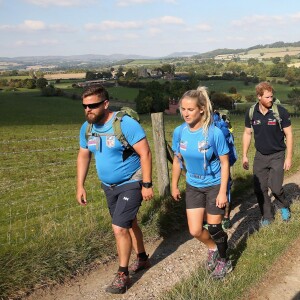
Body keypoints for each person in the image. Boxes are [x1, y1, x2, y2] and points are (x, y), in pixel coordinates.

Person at [76, 85, 153, 294]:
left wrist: (146, 184)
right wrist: (80, 185)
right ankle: (143, 258)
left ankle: (122, 274)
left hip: (131, 181)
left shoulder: (125, 124)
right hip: (109, 186)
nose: (88, 110)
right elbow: (84, 155)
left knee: (119, 227)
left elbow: (145, 153)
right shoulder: (87, 128)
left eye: (93, 105)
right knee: (129, 223)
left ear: (105, 104)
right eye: (85, 106)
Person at [171, 86, 233, 279]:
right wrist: (174, 185)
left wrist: (223, 191)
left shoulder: (214, 133)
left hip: (215, 184)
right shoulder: (179, 132)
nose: (186, 113)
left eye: (190, 109)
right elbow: (177, 159)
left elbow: (225, 163)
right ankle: (213, 248)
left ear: (202, 110)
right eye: (183, 109)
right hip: (193, 185)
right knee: (195, 230)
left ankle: (224, 261)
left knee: (214, 227)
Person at [242, 81, 293, 227]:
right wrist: (245, 155)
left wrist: (288, 157)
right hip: (260, 156)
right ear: (259, 97)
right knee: (260, 189)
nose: (271, 99)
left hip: (277, 155)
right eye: (268, 97)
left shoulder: (280, 112)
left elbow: (289, 135)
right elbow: (247, 133)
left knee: (275, 187)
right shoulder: (251, 112)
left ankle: (284, 206)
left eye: (272, 96)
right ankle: (267, 216)